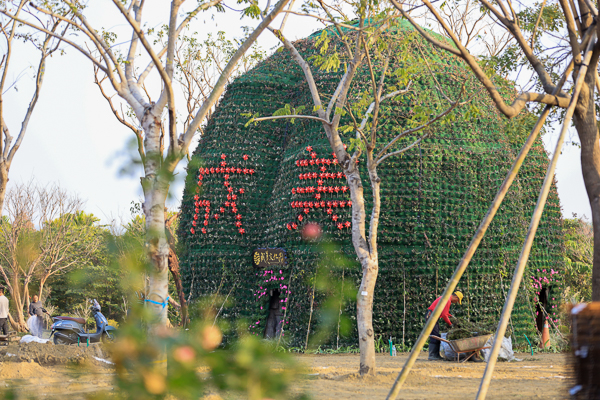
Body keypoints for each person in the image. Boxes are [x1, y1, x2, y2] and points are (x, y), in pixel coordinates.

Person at [426, 291, 463, 361]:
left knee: (436, 335)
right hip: (431, 316)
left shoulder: (446, 298)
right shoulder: (447, 300)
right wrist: (450, 324)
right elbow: (444, 315)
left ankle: (435, 355)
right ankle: (432, 355)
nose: (455, 302)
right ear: (456, 297)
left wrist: (451, 316)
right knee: (435, 335)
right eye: (457, 301)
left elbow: (445, 312)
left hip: (432, 316)